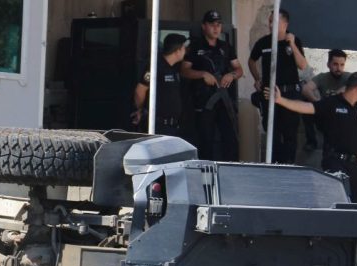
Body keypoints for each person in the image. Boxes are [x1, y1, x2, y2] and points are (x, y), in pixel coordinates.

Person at [271, 71, 357, 202]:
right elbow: (307, 107)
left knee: (353, 203)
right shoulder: (332, 103)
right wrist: (281, 100)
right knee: (338, 200)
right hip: (335, 160)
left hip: (356, 164)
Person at [182, 10, 244, 161]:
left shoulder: (225, 46)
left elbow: (239, 69)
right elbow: (184, 71)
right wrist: (202, 74)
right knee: (205, 141)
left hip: (224, 100)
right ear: (204, 26)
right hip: (203, 101)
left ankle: (230, 171)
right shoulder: (195, 46)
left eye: (218, 24)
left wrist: (232, 75)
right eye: (212, 25)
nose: (216, 28)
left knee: (230, 139)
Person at [248, 8, 307, 164]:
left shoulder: (294, 41)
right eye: (269, 21)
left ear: (285, 24)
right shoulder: (263, 42)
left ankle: (288, 166)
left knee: (289, 134)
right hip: (270, 92)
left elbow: (302, 65)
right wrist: (257, 78)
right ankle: (273, 165)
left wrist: (292, 45)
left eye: (274, 21)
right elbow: (251, 61)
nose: (270, 24)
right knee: (272, 132)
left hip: (289, 93)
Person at [131, 33, 188, 137]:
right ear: (178, 50)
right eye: (184, 48)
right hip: (158, 125)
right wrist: (140, 109)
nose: (186, 51)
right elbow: (140, 90)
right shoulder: (155, 66)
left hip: (173, 126)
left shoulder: (174, 67)